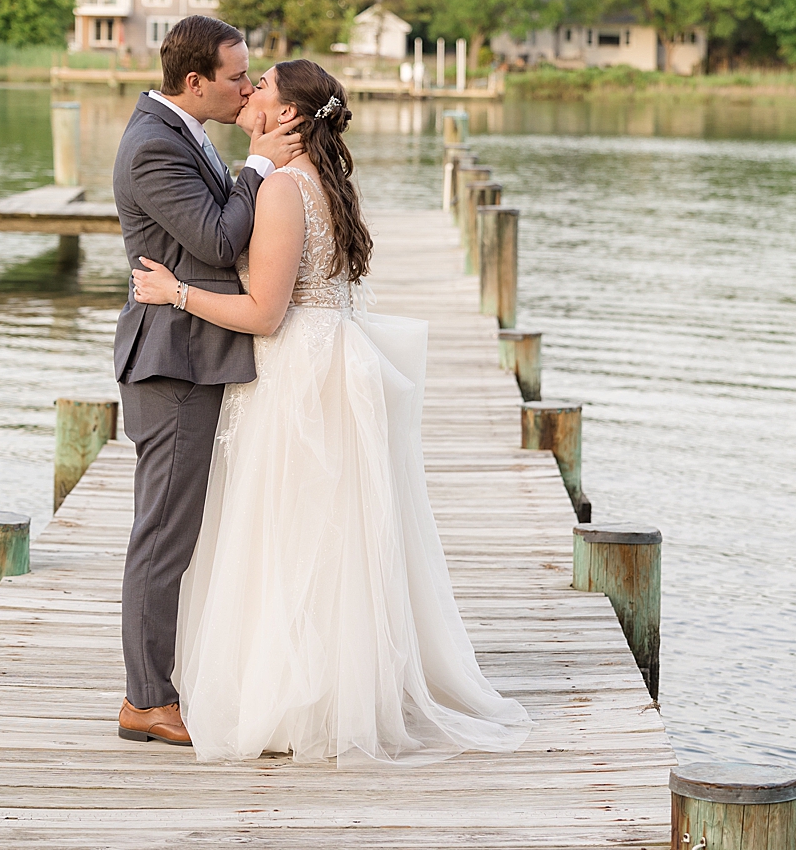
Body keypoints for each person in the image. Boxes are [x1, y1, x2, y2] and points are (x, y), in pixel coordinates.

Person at [130, 59, 532, 763]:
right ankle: (327, 684)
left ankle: (296, 699)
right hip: (329, 358)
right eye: (245, 79)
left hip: (298, 372)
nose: (250, 91)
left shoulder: (284, 189)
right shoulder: (322, 181)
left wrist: (177, 295)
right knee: (325, 532)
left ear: (288, 116)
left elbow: (263, 312)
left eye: (262, 87)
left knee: (292, 536)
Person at [111, 15, 303, 746]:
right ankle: (147, 700)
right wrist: (257, 167)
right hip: (174, 359)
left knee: (177, 529)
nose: (247, 87)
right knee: (163, 533)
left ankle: (163, 685)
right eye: (236, 77)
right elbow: (220, 238)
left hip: (195, 350)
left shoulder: (181, 134)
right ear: (194, 82)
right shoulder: (153, 147)